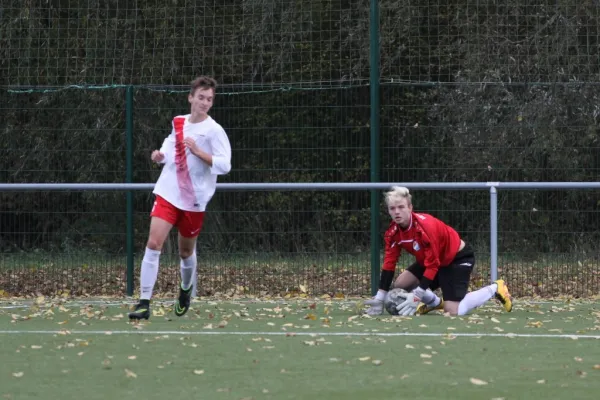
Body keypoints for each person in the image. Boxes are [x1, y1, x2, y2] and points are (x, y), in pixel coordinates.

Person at [129, 76, 232, 321]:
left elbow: (225, 165)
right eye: (201, 98)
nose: (205, 103)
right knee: (154, 244)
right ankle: (144, 302)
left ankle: (185, 290)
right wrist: (159, 156)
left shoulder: (214, 131)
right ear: (191, 98)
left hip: (195, 200)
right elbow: (168, 148)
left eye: (209, 99)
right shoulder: (178, 122)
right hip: (168, 192)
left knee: (186, 253)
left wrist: (198, 151)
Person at [364, 186, 512, 317]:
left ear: (410, 208)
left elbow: (433, 265)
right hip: (432, 260)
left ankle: (495, 288)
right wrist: (380, 297)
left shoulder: (425, 228)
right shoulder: (393, 232)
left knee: (453, 311)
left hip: (456, 258)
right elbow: (389, 264)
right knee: (401, 284)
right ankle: (434, 303)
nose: (397, 212)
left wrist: (417, 296)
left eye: (401, 207)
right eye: (392, 208)